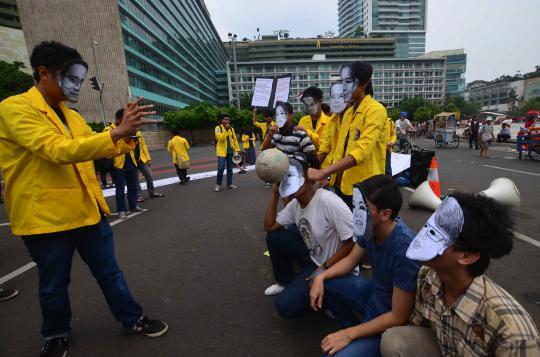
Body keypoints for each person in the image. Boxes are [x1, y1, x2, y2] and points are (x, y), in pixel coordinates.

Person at [0, 41, 167, 357]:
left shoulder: (72, 116)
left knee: (110, 273)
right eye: (72, 79)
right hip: (44, 219)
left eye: (80, 80)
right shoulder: (13, 108)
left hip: (89, 211)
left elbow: (93, 146)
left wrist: (124, 134)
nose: (77, 87)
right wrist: (115, 134)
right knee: (53, 285)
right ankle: (55, 333)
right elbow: (56, 150)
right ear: (44, 73)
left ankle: (131, 318)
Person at [381, 193, 540, 356]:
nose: (422, 238)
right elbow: (416, 326)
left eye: (436, 234)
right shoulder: (427, 277)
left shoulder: (513, 334)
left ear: (467, 256)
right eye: (429, 226)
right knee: (396, 340)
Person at [309, 175, 420, 356]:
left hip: (389, 320)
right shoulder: (369, 227)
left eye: (362, 208)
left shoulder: (404, 250)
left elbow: (398, 316)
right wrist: (321, 276)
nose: (355, 214)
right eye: (355, 205)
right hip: (373, 296)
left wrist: (348, 335)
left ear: (385, 214)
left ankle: (357, 337)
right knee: (323, 281)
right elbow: (351, 260)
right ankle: (354, 329)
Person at [263, 155, 355, 316]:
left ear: (308, 178)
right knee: (274, 238)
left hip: (333, 265)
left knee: (285, 306)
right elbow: (269, 227)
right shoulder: (294, 205)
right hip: (313, 256)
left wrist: (323, 268)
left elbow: (352, 242)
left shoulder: (328, 201)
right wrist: (274, 194)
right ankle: (286, 281)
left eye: (293, 177)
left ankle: (330, 297)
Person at [308, 61, 388, 209]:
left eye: (349, 81)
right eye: (342, 81)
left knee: (360, 230)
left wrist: (323, 172)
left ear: (364, 83)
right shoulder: (348, 113)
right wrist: (326, 176)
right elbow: (338, 150)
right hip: (340, 186)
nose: (343, 87)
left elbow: (361, 151)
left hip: (365, 189)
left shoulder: (376, 110)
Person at [105, 109, 146, 219]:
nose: (128, 121)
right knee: (120, 188)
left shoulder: (129, 129)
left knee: (133, 186)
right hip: (118, 164)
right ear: (118, 119)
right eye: (125, 118)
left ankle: (133, 205)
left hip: (131, 162)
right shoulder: (109, 130)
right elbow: (109, 145)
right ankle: (121, 210)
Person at [318, 82, 349, 180]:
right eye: (332, 97)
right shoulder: (332, 121)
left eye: (341, 96)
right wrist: (309, 171)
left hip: (359, 182)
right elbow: (324, 148)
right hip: (336, 179)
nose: (336, 101)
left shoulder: (360, 118)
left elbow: (360, 153)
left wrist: (324, 172)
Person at [134, 130, 164, 201]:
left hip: (141, 158)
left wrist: (148, 158)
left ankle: (152, 192)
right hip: (132, 159)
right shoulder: (126, 132)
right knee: (135, 178)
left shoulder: (138, 132)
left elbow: (143, 146)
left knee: (149, 175)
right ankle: (139, 195)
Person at [214, 114, 240, 192]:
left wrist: (237, 150)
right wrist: (225, 129)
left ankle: (229, 184)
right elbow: (220, 138)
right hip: (221, 152)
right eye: (225, 119)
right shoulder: (218, 128)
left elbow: (234, 139)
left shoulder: (231, 129)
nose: (227, 121)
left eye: (228, 120)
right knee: (221, 168)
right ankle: (218, 184)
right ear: (221, 120)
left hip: (230, 151)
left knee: (230, 168)